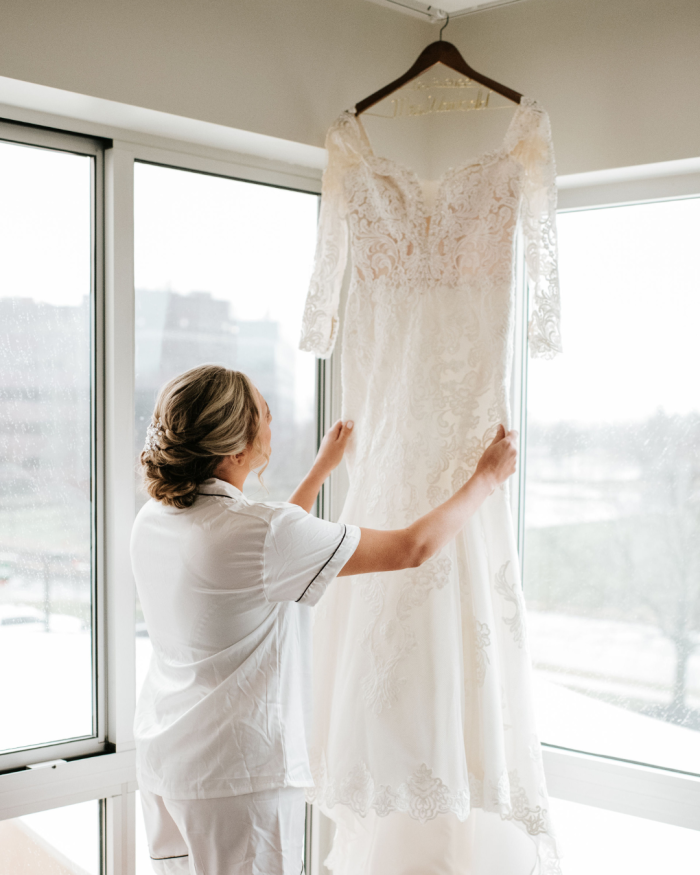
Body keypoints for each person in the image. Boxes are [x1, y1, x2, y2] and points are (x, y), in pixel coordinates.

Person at [131, 363, 517, 875]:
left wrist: (319, 471)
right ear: (234, 450)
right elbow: (411, 548)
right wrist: (486, 478)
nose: (272, 420)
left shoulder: (154, 519)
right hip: (237, 780)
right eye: (264, 412)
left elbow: (266, 559)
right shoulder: (262, 534)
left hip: (166, 761)